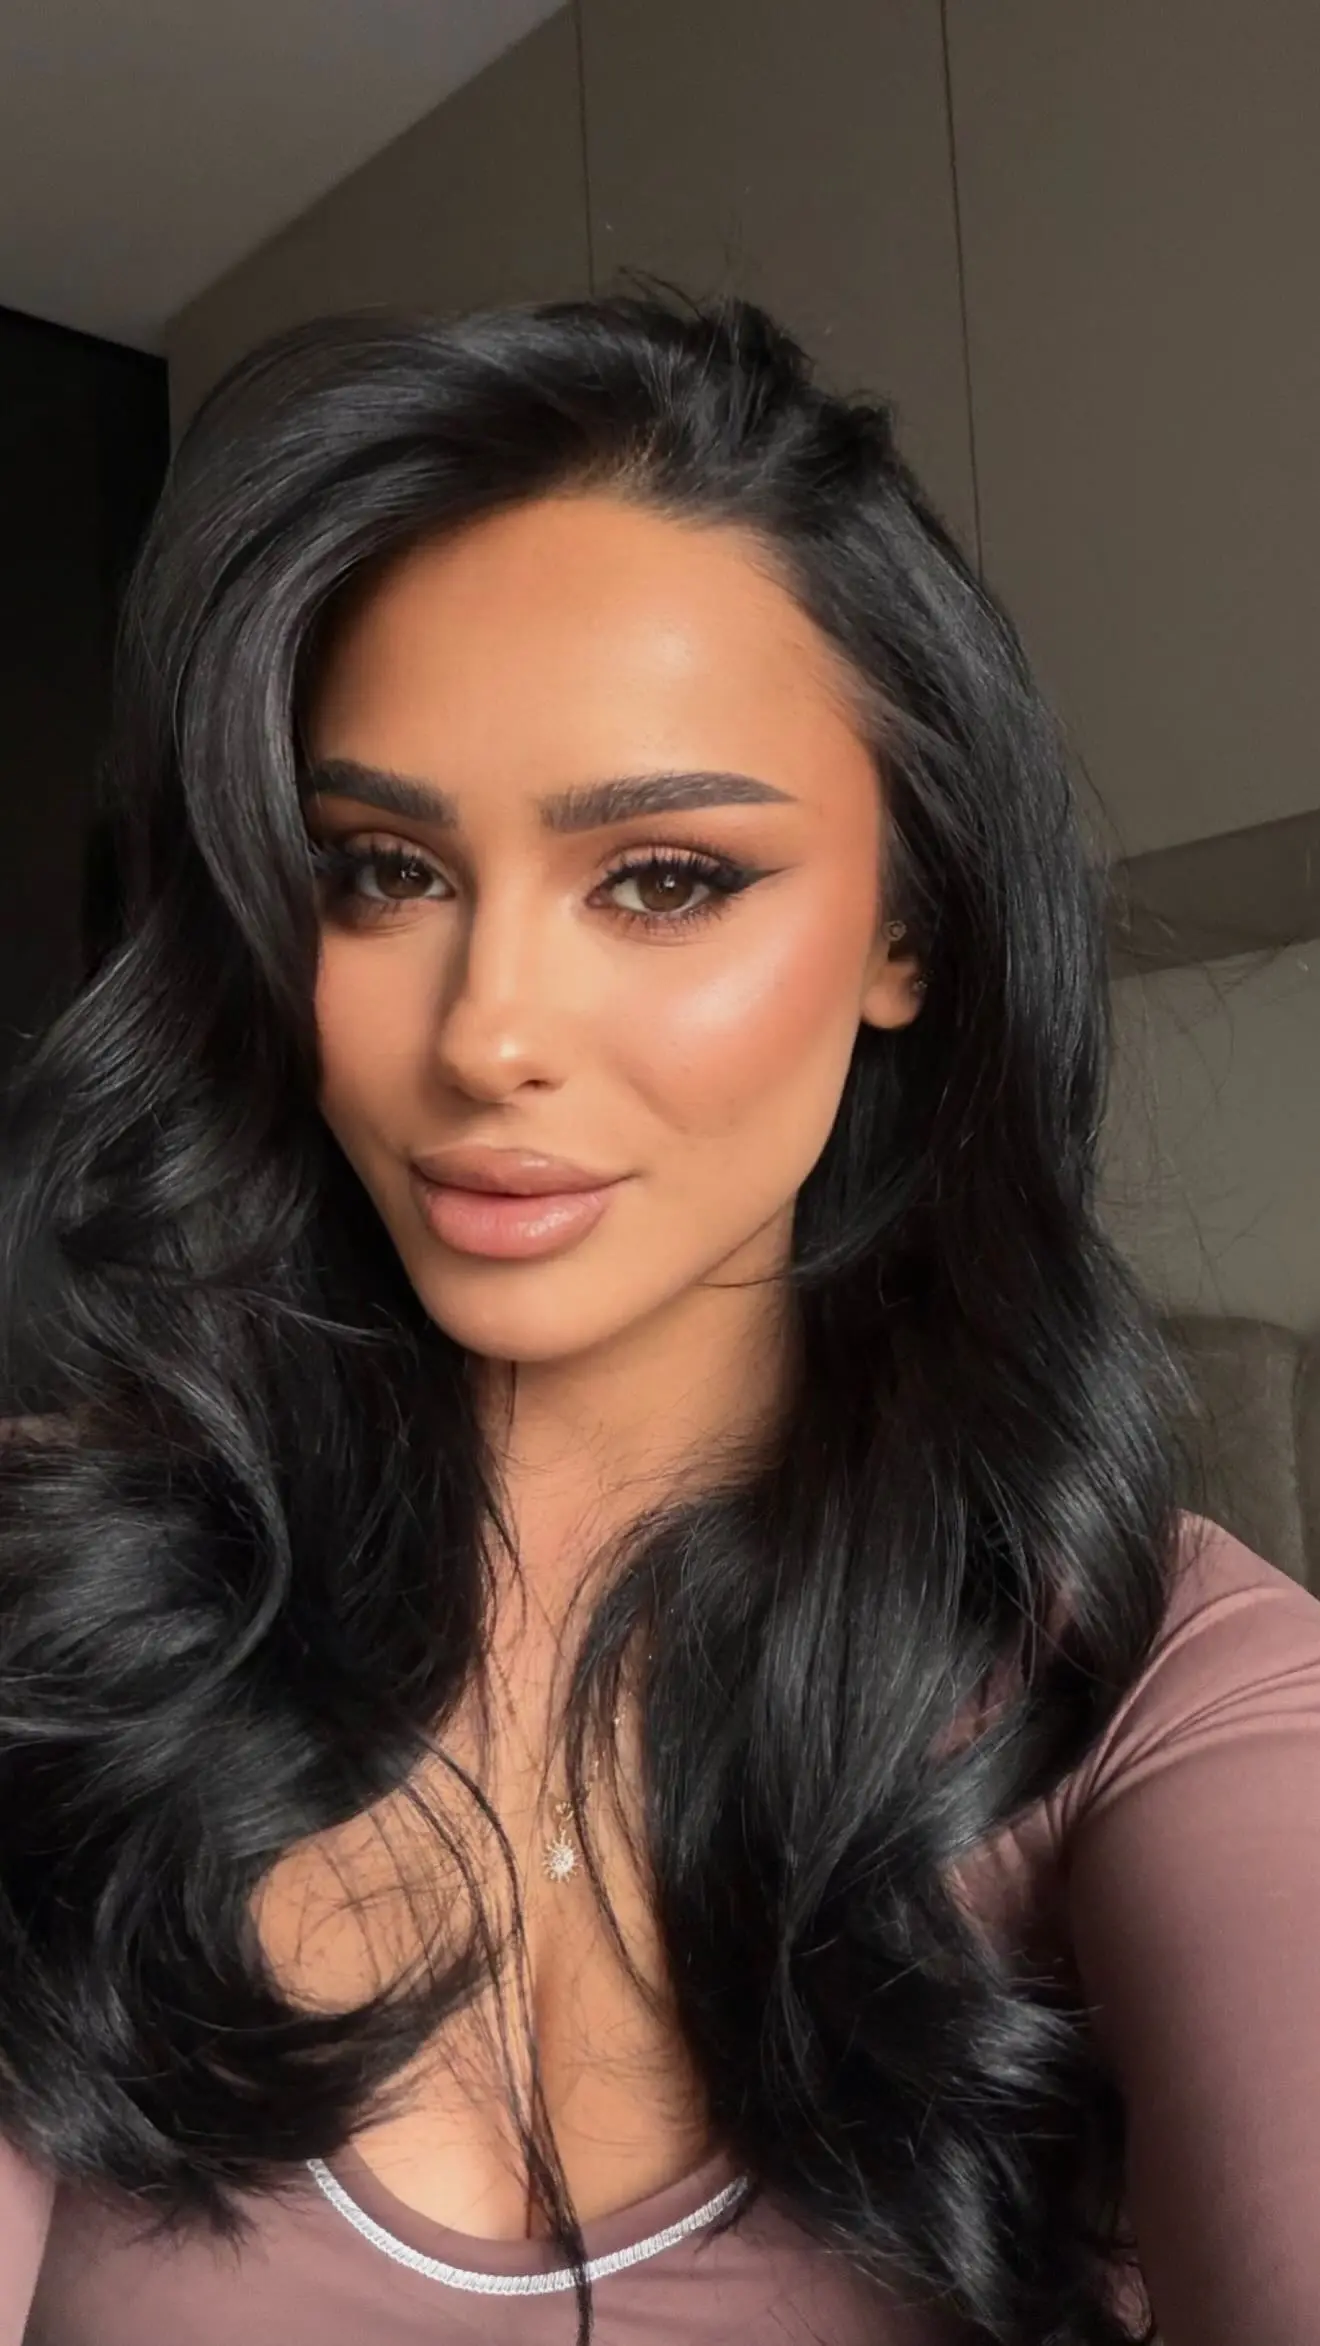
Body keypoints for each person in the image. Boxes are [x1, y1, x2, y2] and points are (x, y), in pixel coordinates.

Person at [0, 284, 1317, 2346]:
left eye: (666, 877)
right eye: (380, 870)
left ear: (906, 927)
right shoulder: (64, 1597)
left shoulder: (1164, 1688)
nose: (487, 1032)